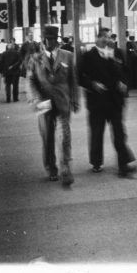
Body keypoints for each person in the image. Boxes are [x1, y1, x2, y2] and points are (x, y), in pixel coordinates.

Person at [25, 26, 80, 186]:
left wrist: (75, 100)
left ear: (56, 40)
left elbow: (73, 80)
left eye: (48, 39)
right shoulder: (35, 58)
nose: (44, 42)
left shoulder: (68, 56)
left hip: (62, 102)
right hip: (44, 104)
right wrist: (37, 99)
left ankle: (65, 168)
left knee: (64, 137)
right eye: (43, 39)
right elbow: (30, 81)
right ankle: (51, 169)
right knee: (47, 138)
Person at [79, 27, 137, 177]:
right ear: (97, 38)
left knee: (119, 133)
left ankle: (123, 164)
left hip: (115, 100)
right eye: (105, 36)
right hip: (97, 101)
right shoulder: (88, 55)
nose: (108, 40)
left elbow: (127, 72)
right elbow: (80, 77)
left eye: (110, 37)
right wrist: (92, 84)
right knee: (97, 133)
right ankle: (96, 162)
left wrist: (124, 83)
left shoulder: (118, 53)